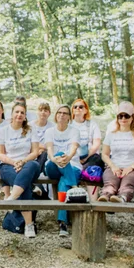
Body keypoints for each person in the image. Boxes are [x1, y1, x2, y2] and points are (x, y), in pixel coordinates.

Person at [0, 103, 42, 238]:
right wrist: (14, 162)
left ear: (25, 116)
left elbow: (35, 152)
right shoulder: (3, 131)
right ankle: (29, 225)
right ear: (12, 114)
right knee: (24, 184)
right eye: (17, 112)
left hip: (27, 165)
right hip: (8, 166)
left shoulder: (30, 130)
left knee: (33, 165)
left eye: (22, 112)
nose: (19, 115)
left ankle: (11, 199)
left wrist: (23, 161)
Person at [44, 104, 83, 237]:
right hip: (52, 166)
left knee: (62, 183)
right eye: (59, 112)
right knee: (59, 152)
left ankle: (63, 223)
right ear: (56, 115)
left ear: (69, 117)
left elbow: (73, 149)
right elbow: (49, 150)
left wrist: (68, 158)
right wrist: (55, 159)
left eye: (65, 113)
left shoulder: (74, 131)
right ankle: (74, 186)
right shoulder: (50, 131)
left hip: (72, 166)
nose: (62, 115)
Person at [99, 102, 134, 204]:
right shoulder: (111, 135)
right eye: (120, 116)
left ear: (132, 118)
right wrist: (113, 166)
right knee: (110, 184)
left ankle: (122, 198)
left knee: (127, 185)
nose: (123, 118)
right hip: (114, 167)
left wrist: (131, 167)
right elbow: (104, 154)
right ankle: (105, 196)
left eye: (126, 116)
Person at [70, 98, 103, 169]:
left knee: (98, 159)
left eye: (81, 107)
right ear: (72, 110)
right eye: (75, 107)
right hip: (72, 157)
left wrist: (86, 157)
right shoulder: (68, 125)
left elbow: (96, 143)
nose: (77, 108)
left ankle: (82, 171)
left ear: (86, 110)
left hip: (90, 157)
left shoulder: (93, 124)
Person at [29, 102, 54, 173]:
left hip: (45, 152)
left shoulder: (52, 126)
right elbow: (28, 141)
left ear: (49, 113)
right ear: (37, 112)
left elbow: (52, 143)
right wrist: (37, 149)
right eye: (41, 110)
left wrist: (42, 149)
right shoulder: (30, 125)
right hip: (31, 151)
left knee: (45, 154)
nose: (43, 113)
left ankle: (37, 176)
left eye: (45, 111)